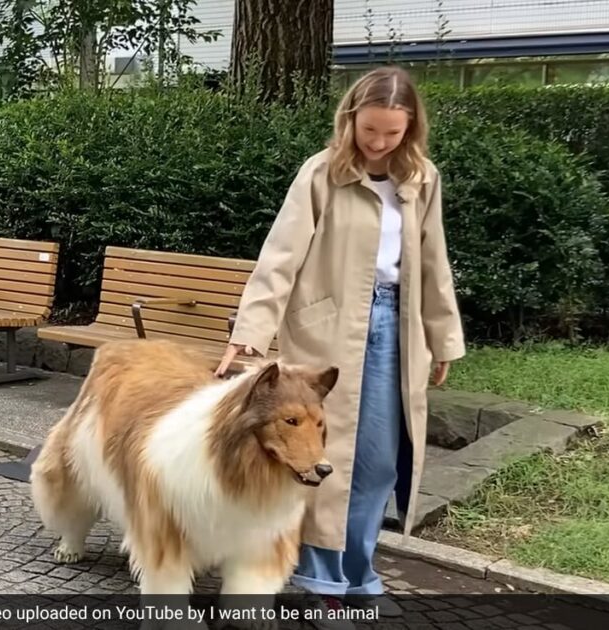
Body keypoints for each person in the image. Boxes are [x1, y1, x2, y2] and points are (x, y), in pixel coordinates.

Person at [214, 66, 466, 628]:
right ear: (350, 119)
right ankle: (324, 582)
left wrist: (443, 337)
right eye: (370, 130)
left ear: (411, 129)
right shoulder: (321, 173)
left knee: (378, 464)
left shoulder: (422, 178)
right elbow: (280, 258)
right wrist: (249, 336)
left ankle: (361, 572)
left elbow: (433, 261)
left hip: (397, 330)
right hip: (325, 334)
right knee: (328, 460)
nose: (379, 143)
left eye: (392, 134)